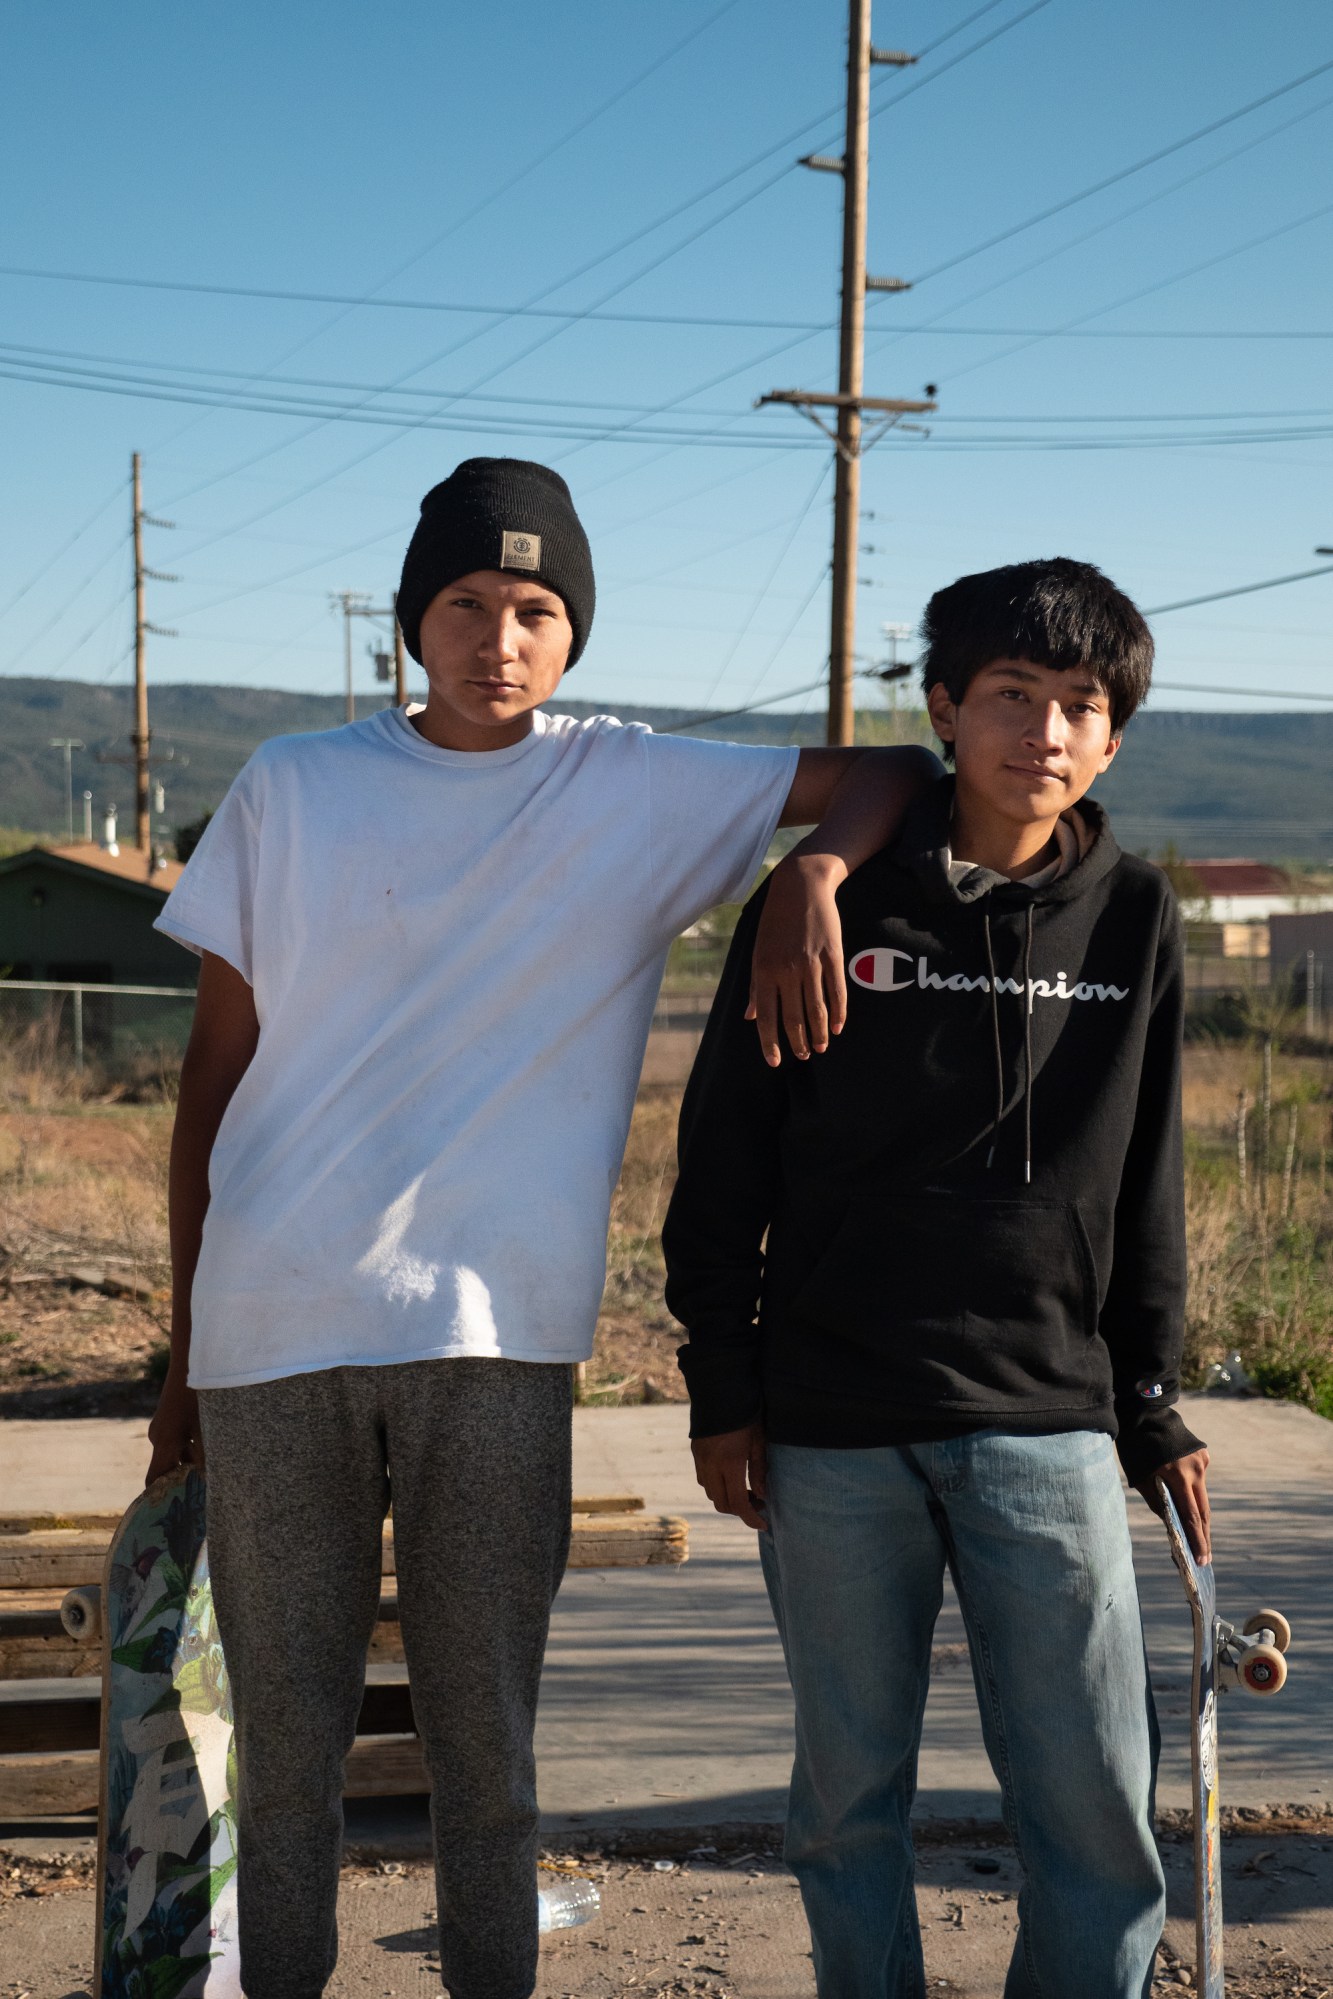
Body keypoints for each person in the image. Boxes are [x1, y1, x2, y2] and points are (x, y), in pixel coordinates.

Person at [145, 456, 938, 1999]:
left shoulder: (630, 783)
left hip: (493, 1343)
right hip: (272, 1328)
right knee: (284, 1751)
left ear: (571, 636)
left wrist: (813, 874)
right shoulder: (293, 783)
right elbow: (209, 1083)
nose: (495, 637)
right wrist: (186, 1348)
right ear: (408, 623)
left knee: (485, 1748)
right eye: (462, 603)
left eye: (533, 609)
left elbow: (893, 760)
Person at [663, 556, 1211, 1999]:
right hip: (834, 1426)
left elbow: (1146, 1174)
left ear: (1110, 738)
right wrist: (723, 1387)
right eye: (1009, 697)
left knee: (1093, 1797)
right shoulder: (825, 911)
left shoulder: (1136, 916)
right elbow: (722, 1166)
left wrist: (1149, 1400)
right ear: (946, 711)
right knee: (847, 1801)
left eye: (1077, 705)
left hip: (1049, 1422)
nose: (1040, 730)